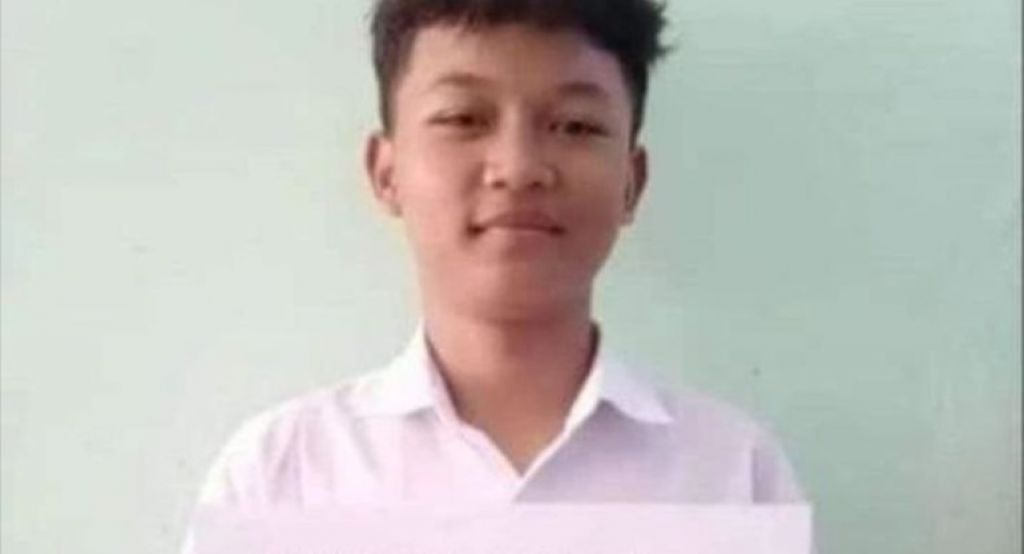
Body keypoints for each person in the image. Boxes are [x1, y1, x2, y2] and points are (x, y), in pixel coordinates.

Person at [185, 0, 806, 527]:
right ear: (386, 172)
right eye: (463, 118)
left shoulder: (734, 474)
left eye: (575, 125)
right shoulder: (281, 473)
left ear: (631, 183)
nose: (518, 168)